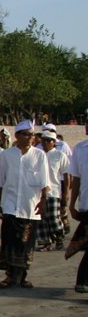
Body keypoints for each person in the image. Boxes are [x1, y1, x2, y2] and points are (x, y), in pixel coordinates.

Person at [0, 120, 49, 289]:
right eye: (26, 134)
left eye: (32, 134)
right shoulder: (6, 155)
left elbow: (45, 182)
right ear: (17, 136)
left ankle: (22, 276)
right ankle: (10, 276)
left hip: (30, 206)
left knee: (26, 243)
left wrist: (44, 201)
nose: (30, 137)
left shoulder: (39, 155)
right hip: (10, 205)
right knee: (9, 241)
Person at [36, 130, 70, 251]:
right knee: (40, 219)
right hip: (38, 192)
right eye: (43, 140)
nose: (45, 142)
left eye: (48, 140)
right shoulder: (37, 154)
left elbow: (67, 175)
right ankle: (45, 242)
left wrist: (66, 192)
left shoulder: (60, 155)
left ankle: (59, 237)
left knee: (54, 218)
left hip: (54, 192)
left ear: (54, 142)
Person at [68, 119, 88, 293]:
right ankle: (82, 280)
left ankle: (82, 280)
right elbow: (76, 179)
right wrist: (71, 204)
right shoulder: (80, 149)